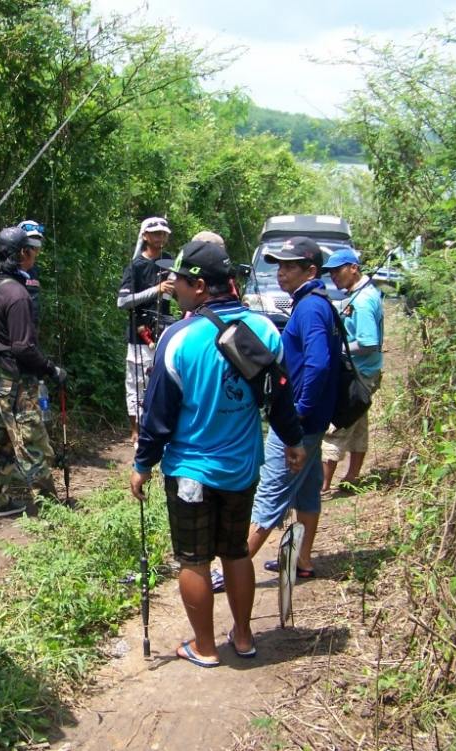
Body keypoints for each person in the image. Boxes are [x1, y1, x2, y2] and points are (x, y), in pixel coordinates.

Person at [130, 240, 304, 666]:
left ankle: (205, 646)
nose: (176, 290)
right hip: (243, 468)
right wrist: (294, 441)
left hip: (191, 471)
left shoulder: (178, 338)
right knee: (236, 552)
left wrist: (142, 465)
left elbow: (158, 415)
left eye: (181, 284)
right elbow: (280, 397)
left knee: (194, 560)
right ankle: (243, 637)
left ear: (202, 287)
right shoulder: (265, 330)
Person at [248, 236, 340, 579]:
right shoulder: (313, 303)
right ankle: (302, 561)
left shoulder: (311, 307)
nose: (281, 273)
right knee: (306, 490)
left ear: (310, 270)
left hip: (301, 422)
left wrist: (297, 413)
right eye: (279, 266)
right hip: (313, 420)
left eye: (289, 266)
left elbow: (318, 364)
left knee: (270, 491)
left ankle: (232, 570)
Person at [0, 226, 66, 517]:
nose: (35, 254)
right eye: (31, 249)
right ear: (22, 253)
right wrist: (51, 369)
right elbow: (23, 348)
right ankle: (51, 510)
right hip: (17, 380)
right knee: (32, 442)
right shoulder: (17, 294)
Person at [320, 247, 384, 492]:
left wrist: (340, 350)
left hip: (360, 373)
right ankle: (352, 476)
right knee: (358, 421)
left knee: (337, 425)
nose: (334, 276)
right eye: (331, 272)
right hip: (366, 372)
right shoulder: (357, 294)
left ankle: (322, 485)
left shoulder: (364, 301)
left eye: (338, 271)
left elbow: (368, 343)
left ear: (354, 268)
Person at [117, 217, 174, 445]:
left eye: (163, 233)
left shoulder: (171, 262)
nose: (160, 238)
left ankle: (160, 428)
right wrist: (156, 290)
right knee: (137, 383)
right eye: (155, 234)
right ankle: (136, 431)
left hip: (165, 332)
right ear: (145, 236)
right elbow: (123, 302)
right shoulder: (135, 266)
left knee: (164, 381)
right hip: (139, 334)